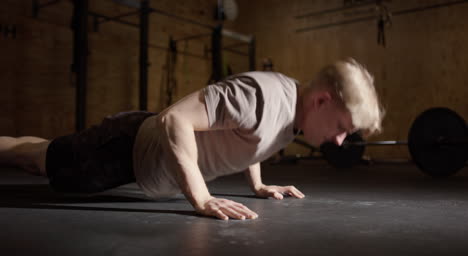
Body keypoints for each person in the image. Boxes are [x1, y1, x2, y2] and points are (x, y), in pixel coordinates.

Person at [0, 58, 383, 220]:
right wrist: (201, 197)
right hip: (124, 149)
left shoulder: (291, 113)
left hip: (143, 164)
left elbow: (255, 137)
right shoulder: (260, 96)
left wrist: (259, 184)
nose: (339, 140)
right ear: (321, 101)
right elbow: (174, 119)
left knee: (41, 151)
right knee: (36, 161)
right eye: (341, 127)